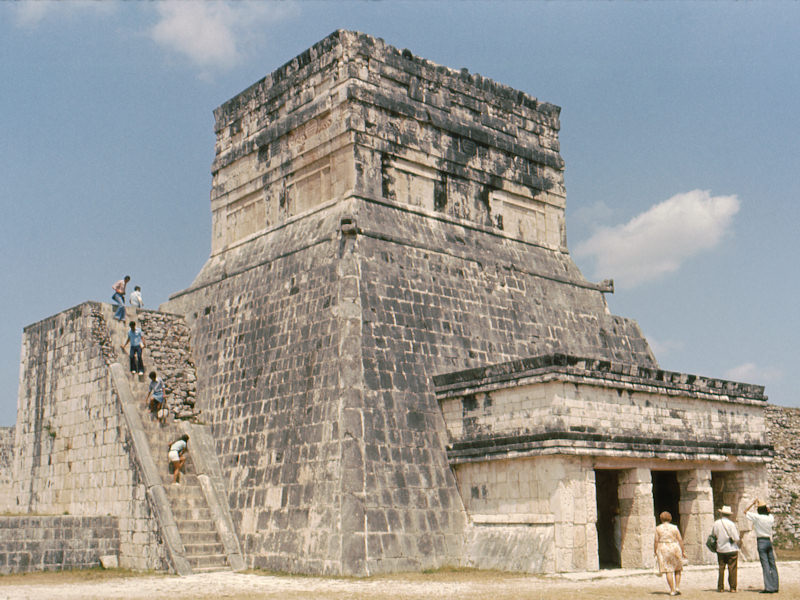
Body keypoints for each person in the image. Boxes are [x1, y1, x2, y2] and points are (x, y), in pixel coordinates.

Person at [744, 498, 779, 593]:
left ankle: (769, 587)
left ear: (759, 510)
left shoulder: (757, 517)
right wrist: (765, 505)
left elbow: (745, 511)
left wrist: (752, 503)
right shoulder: (770, 518)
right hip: (768, 541)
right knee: (772, 564)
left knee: (765, 565)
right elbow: (769, 511)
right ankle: (775, 586)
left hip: (761, 541)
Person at [654, 511, 687, 596]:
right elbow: (680, 539)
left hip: (663, 547)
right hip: (674, 547)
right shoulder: (674, 527)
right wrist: (683, 551)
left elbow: (656, 541)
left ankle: (672, 590)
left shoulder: (658, 528)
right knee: (678, 568)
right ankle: (677, 587)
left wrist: (655, 551)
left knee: (668, 569)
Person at [712, 505, 741, 593]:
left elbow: (713, 535)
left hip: (720, 549)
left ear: (721, 514)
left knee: (721, 568)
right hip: (731, 548)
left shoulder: (716, 523)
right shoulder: (731, 524)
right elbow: (736, 538)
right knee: (732, 568)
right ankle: (732, 587)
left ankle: (720, 587)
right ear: (729, 515)